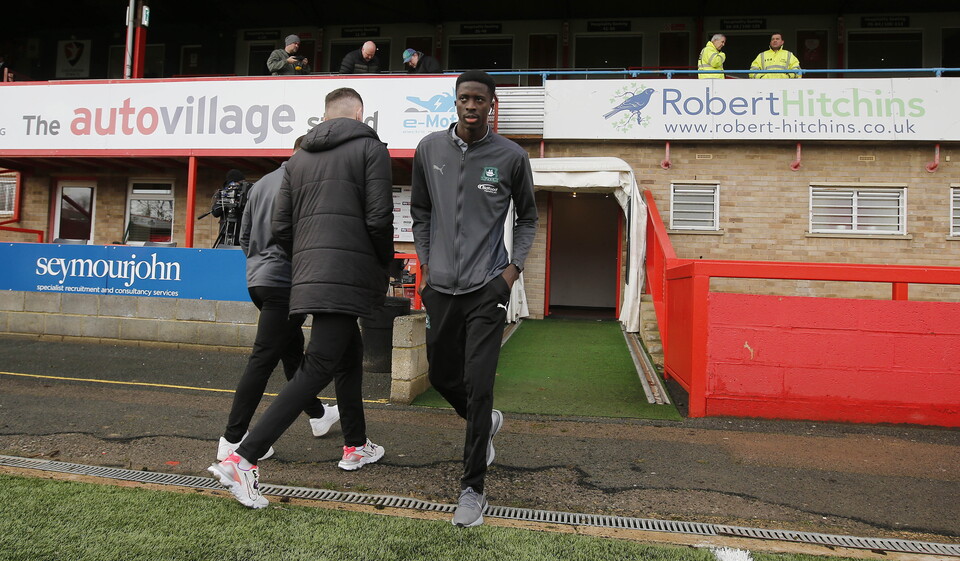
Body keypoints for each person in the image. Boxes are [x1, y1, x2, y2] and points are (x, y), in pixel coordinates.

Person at [209, 87, 394, 509]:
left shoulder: (299, 159)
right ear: (360, 114)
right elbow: (380, 218)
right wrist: (382, 265)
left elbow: (282, 227)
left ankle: (356, 444)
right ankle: (244, 458)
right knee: (318, 366)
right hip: (347, 274)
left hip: (306, 273)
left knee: (348, 354)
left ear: (324, 116)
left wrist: (309, 258)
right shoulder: (371, 149)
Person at [410, 70, 538, 528]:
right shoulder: (429, 149)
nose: (471, 106)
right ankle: (485, 424)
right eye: (464, 98)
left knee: (479, 382)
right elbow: (420, 211)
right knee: (444, 375)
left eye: (479, 100)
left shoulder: (511, 156)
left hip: (488, 286)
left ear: (491, 105)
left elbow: (527, 218)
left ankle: (471, 490)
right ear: (455, 101)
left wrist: (512, 270)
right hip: (440, 285)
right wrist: (425, 264)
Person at [212, 136, 341, 466]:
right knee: (263, 358)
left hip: (258, 279)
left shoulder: (261, 184)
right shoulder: (305, 183)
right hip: (284, 282)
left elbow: (243, 236)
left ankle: (316, 414)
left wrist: (259, 264)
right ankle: (232, 438)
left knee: (291, 349)